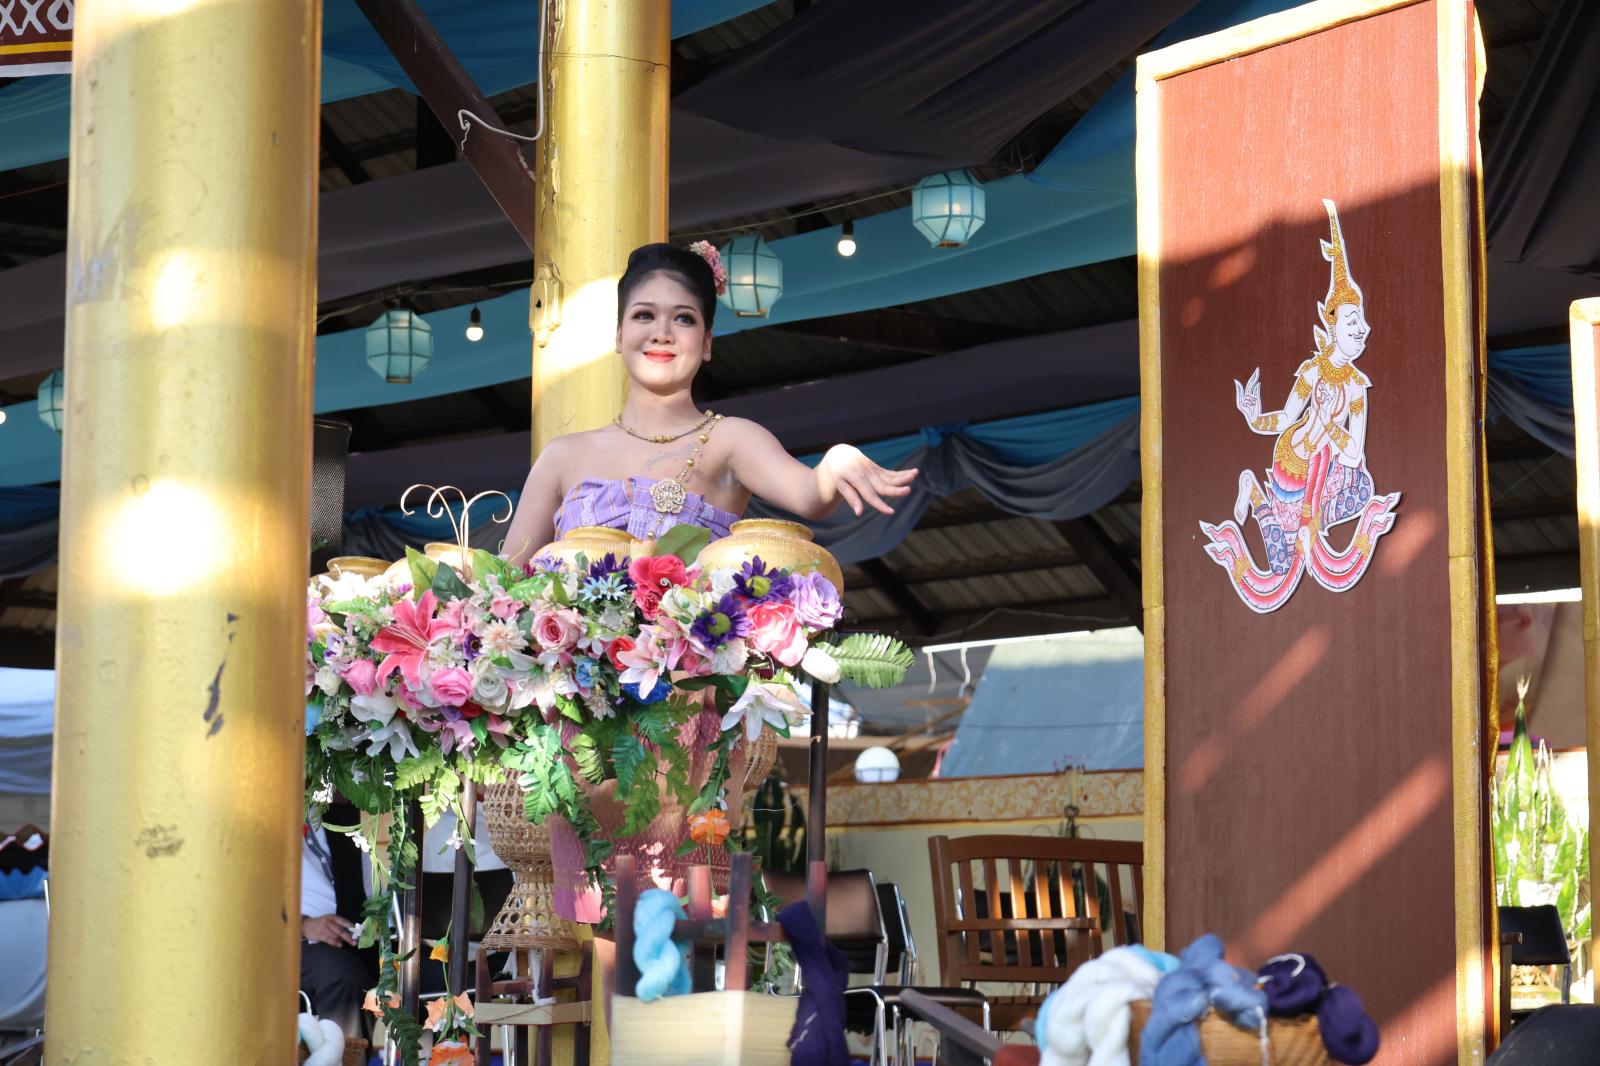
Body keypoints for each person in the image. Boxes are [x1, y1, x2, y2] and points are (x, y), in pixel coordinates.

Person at [501, 241, 918, 566]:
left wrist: (836, 461)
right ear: (618, 335)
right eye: (644, 315)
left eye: (683, 318)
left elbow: (810, 496)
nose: (662, 332)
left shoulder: (731, 440)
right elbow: (503, 586)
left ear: (706, 343)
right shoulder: (562, 456)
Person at [299, 802, 375, 1041]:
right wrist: (302, 925)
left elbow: (370, 892)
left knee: (435, 974)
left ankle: (444, 1055)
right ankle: (341, 1056)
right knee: (344, 975)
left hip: (354, 937)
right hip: (287, 942)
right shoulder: (257, 816)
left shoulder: (341, 817)